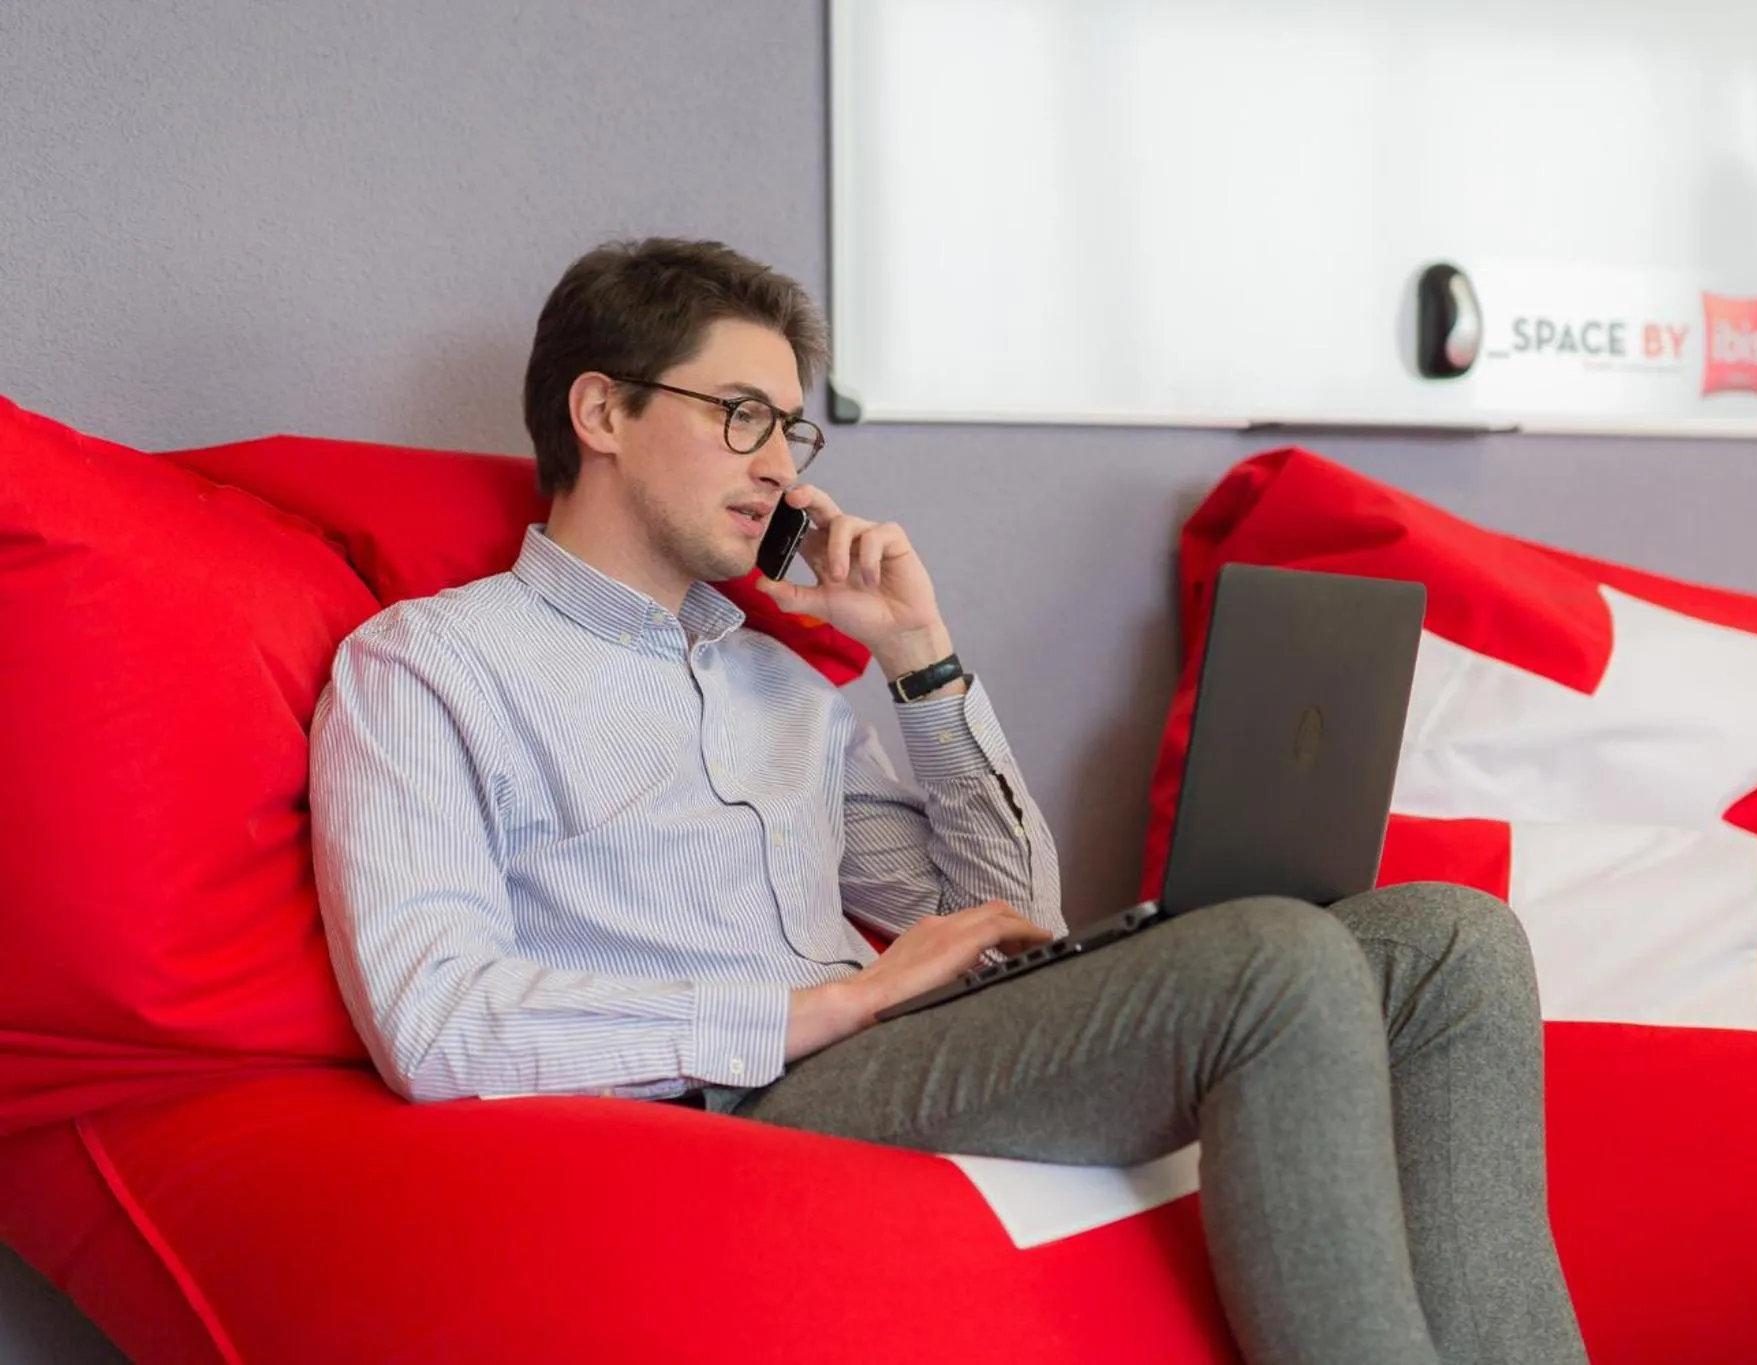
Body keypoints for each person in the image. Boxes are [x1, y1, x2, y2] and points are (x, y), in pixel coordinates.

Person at [309, 237, 1588, 1365]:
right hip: (733, 1098)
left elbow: (1010, 922)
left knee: (1448, 945)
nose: (775, 465)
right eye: (741, 415)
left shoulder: (773, 681)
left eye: (791, 431)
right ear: (600, 409)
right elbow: (433, 1020)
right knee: (1271, 958)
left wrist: (919, 652)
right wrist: (823, 1005)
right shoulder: (430, 665)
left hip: (885, 1052)